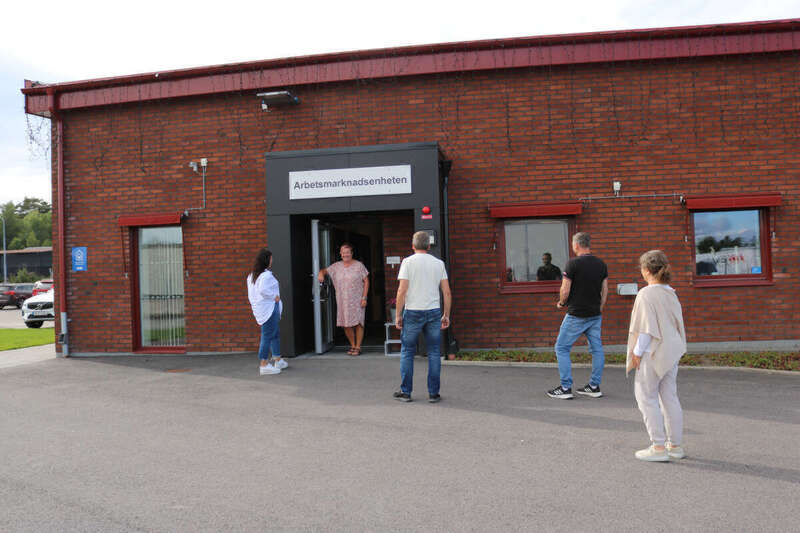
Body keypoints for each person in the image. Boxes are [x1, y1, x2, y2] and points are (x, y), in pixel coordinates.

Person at [627, 250, 687, 462]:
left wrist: (636, 353)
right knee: (669, 398)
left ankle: (658, 447)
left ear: (645, 270)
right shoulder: (670, 292)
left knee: (646, 397)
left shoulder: (646, 294)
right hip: (671, 351)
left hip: (652, 351)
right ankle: (675, 446)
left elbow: (646, 329)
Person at [547, 232, 608, 400]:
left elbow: (565, 289)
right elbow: (605, 290)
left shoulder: (572, 264)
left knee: (561, 348)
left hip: (576, 314)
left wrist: (561, 303)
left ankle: (565, 388)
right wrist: (599, 308)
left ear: (576, 245)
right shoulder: (601, 264)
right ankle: (594, 387)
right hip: (595, 314)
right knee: (597, 350)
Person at [393, 231, 452, 403]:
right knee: (434, 352)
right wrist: (446, 314)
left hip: (412, 311)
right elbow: (447, 292)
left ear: (413, 246)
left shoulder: (407, 262)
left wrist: (398, 314)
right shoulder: (438, 263)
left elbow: (402, 290)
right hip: (433, 311)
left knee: (407, 351)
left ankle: (406, 392)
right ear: (428, 246)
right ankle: (433, 393)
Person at [318, 243, 370, 355]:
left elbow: (366, 281)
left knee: (358, 322)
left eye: (347, 252)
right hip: (342, 301)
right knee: (345, 324)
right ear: (340, 254)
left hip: (357, 299)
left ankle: (358, 347)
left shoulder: (359, 265)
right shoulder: (336, 266)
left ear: (351, 253)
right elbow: (324, 271)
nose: (345, 254)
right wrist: (320, 274)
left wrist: (364, 297)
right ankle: (352, 345)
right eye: (343, 252)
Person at [246, 248, 286, 375]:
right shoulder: (266, 276)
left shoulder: (251, 276)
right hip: (269, 309)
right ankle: (263, 364)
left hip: (262, 309)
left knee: (274, 333)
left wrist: (257, 306)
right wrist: (274, 297)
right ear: (266, 260)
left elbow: (251, 295)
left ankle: (277, 359)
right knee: (268, 335)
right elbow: (263, 290)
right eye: (271, 258)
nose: (272, 260)